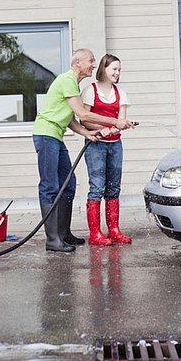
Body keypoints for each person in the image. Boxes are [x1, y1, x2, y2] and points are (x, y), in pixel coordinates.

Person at [32, 48, 134, 253]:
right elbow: (83, 115)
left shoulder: (73, 86)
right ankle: (53, 240)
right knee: (50, 186)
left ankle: (64, 234)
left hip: (56, 135)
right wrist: (115, 121)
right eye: (91, 61)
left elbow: (69, 118)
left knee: (68, 185)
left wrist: (86, 134)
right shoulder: (67, 80)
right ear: (78, 62)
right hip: (46, 134)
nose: (94, 65)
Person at [81, 54, 132, 246]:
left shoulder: (121, 94)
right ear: (104, 69)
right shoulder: (90, 91)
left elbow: (121, 120)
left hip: (115, 145)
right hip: (95, 145)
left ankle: (114, 231)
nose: (117, 73)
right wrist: (102, 129)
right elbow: (84, 120)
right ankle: (95, 234)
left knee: (114, 188)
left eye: (119, 70)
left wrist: (121, 126)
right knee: (96, 188)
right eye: (114, 69)